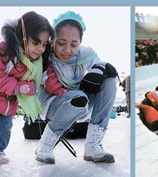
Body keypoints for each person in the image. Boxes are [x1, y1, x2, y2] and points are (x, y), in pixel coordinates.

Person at [0, 11, 54, 170]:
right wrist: (17, 86)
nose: (40, 48)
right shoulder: (4, 50)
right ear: (23, 36)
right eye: (36, 42)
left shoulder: (37, 61)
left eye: (44, 44)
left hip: (11, 99)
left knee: (6, 125)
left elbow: (44, 79)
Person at [35, 11, 118, 164]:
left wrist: (100, 70)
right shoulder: (43, 55)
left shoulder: (86, 54)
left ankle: (93, 144)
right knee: (77, 98)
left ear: (80, 42)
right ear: (52, 40)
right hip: (53, 104)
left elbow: (100, 67)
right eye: (61, 43)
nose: (67, 50)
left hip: (82, 102)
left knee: (109, 80)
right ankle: (45, 144)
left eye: (74, 44)